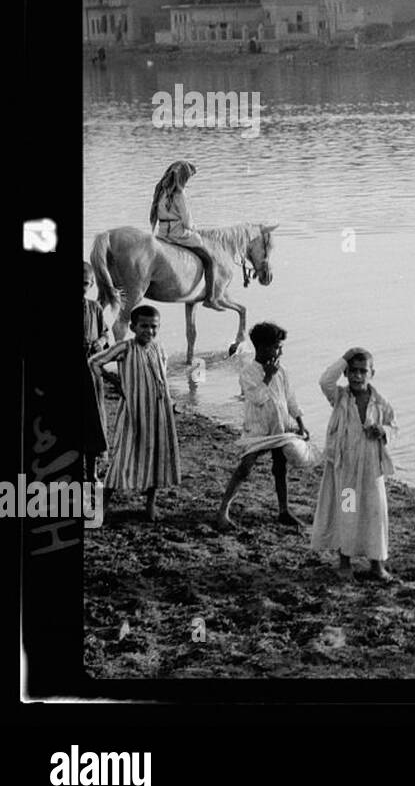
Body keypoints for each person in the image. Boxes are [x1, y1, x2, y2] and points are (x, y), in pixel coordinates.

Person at [310, 348, 398, 582]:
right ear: (346, 373)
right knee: (347, 512)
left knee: (374, 512)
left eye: (363, 371)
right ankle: (345, 562)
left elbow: (394, 427)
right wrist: (345, 356)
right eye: (353, 371)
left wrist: (383, 431)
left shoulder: (381, 403)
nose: (358, 377)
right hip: (346, 469)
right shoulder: (339, 398)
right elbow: (325, 379)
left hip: (371, 470)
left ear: (372, 373)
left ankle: (377, 564)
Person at [215, 322, 311, 531]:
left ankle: (283, 511)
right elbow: (256, 397)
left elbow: (290, 398)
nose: (280, 351)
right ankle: (223, 511)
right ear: (263, 347)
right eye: (277, 346)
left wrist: (300, 423)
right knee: (245, 467)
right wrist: (267, 376)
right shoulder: (249, 372)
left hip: (279, 425)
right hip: (257, 428)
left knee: (280, 467)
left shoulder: (282, 371)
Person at [88, 305, 180, 521]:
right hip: (134, 412)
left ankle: (150, 505)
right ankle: (103, 507)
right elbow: (95, 362)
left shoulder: (159, 348)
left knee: (157, 455)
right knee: (123, 456)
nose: (149, 331)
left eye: (153, 327)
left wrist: (170, 402)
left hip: (159, 412)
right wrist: (116, 382)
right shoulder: (125, 348)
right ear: (133, 327)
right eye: (144, 326)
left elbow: (162, 377)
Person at [148, 160, 219, 308]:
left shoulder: (160, 190)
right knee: (209, 260)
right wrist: (194, 228)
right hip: (178, 234)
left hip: (162, 234)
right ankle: (210, 298)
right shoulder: (180, 194)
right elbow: (187, 221)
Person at [83, 262, 110, 481]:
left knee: (93, 421)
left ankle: (91, 471)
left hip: (92, 372)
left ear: (91, 285)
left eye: (85, 284)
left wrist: (100, 341)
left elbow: (105, 333)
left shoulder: (95, 308)